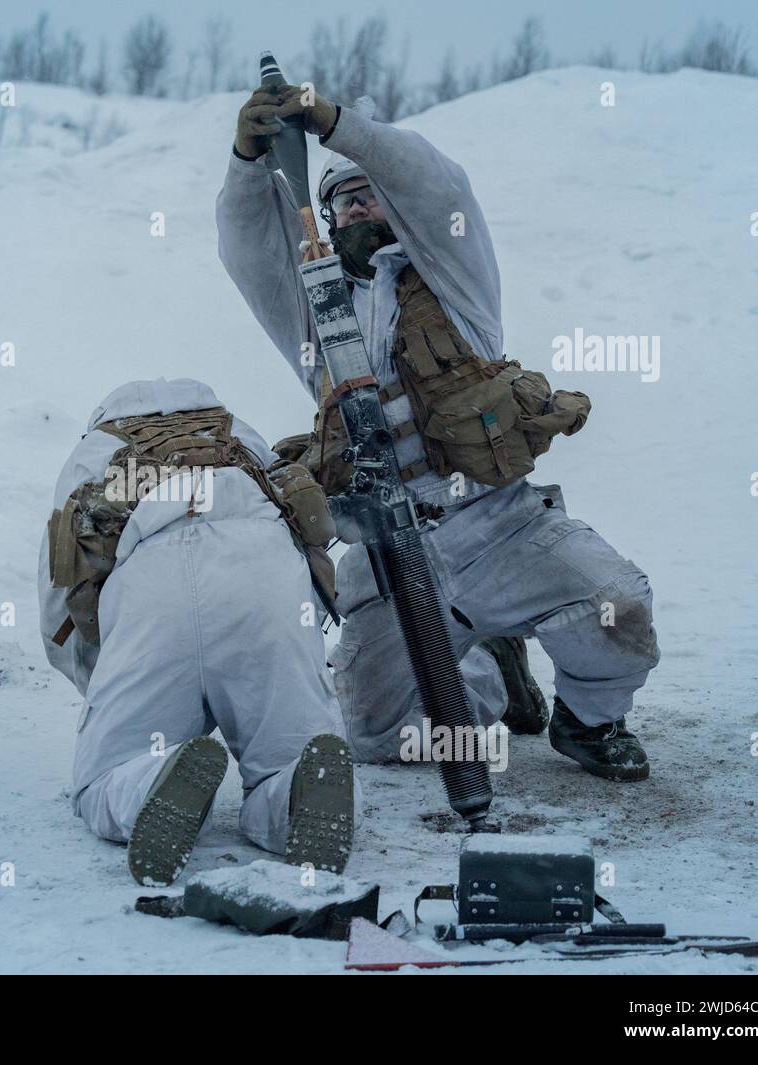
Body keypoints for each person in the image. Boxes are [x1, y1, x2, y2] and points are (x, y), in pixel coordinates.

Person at [215, 86, 660, 781]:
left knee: (617, 611)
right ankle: (484, 668)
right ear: (329, 220)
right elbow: (250, 253)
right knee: (375, 733)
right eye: (343, 200)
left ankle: (589, 720)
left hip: (503, 526)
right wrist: (248, 161)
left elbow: (437, 186)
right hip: (395, 551)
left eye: (370, 192)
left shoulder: (459, 277)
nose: (359, 206)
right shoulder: (319, 316)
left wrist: (339, 126)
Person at [39, 377, 358, 885]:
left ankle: (149, 781)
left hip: (151, 586)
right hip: (267, 570)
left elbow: (61, 600)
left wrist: (106, 686)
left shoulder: (93, 452)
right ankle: (294, 794)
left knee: (106, 778)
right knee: (288, 754)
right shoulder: (236, 435)